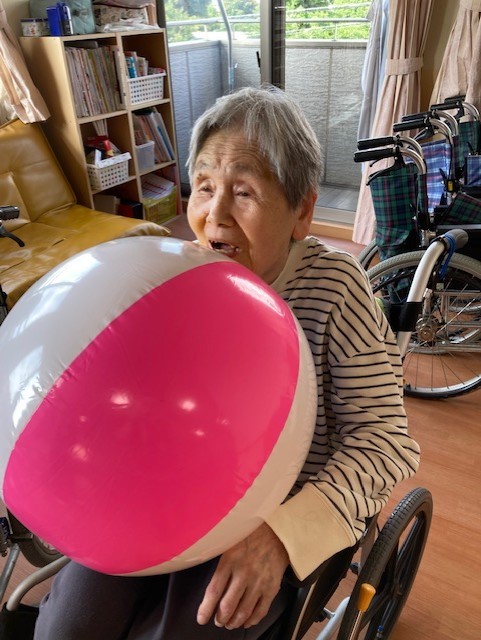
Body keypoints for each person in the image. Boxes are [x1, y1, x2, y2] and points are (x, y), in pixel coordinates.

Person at [33, 85, 420, 640]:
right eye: (205, 187)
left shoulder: (337, 291)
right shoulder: (175, 276)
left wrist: (280, 535)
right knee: (67, 628)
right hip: (163, 490)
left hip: (277, 510)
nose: (215, 214)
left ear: (302, 211)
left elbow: (385, 442)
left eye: (243, 192)